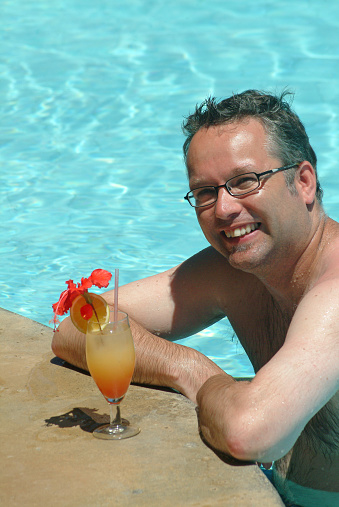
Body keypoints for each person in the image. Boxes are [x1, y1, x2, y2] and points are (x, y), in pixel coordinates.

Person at [52, 90, 339, 506]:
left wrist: (208, 385)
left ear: (304, 182)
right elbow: (76, 325)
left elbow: (249, 432)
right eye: (205, 191)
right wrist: (188, 367)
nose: (223, 209)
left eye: (244, 181)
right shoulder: (235, 273)